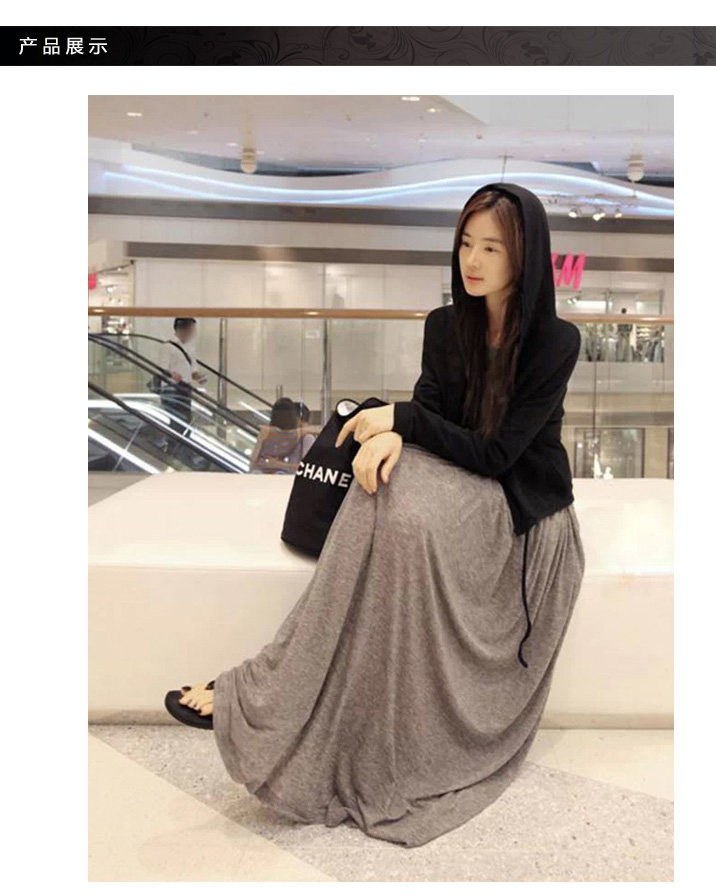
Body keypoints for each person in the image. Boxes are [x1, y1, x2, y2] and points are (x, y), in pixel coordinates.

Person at [164, 183, 586, 848]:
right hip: (456, 479)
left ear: (525, 256)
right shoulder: (445, 326)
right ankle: (277, 685)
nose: (473, 261)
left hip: (517, 503)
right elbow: (432, 412)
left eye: (492, 248)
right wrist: (395, 436)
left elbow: (500, 453)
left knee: (397, 513)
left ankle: (272, 686)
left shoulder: (555, 342)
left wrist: (402, 423)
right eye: (466, 243)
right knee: (378, 495)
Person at [157, 317, 206, 462]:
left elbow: (192, 369)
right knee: (176, 421)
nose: (192, 333)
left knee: (185, 420)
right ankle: (175, 454)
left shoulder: (189, 348)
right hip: (172, 389)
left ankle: (183, 453)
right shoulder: (168, 346)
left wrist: (198, 377)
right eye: (191, 330)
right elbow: (162, 368)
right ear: (182, 329)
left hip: (185, 388)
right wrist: (173, 374)